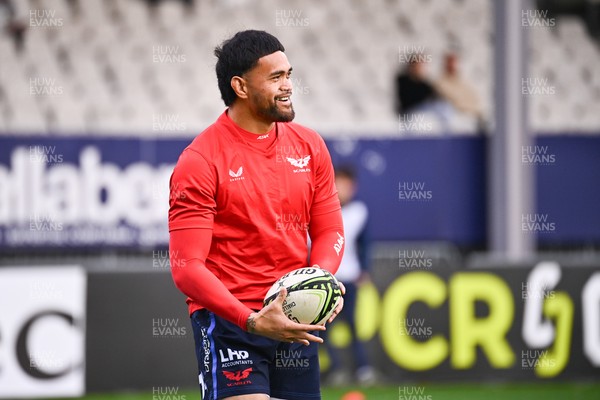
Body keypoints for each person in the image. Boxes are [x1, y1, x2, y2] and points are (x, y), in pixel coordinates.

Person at [168, 30, 345, 400]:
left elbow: (329, 231)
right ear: (241, 87)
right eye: (276, 77)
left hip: (294, 318)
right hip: (231, 323)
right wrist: (250, 319)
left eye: (289, 74)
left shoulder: (310, 146)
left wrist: (322, 281)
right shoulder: (200, 161)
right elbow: (187, 266)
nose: (289, 86)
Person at [322, 166, 375, 386]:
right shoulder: (320, 210)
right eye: (338, 183)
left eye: (346, 185)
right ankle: (336, 369)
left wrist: (364, 270)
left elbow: (364, 244)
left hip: (349, 279)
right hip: (326, 280)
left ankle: (362, 369)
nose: (342, 189)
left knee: (352, 324)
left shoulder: (359, 212)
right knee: (323, 328)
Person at [433, 52, 483, 121]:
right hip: (455, 119)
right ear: (445, 64)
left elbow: (475, 101)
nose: (452, 65)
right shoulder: (439, 83)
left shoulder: (464, 82)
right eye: (449, 62)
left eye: (453, 62)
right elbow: (452, 102)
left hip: (472, 117)